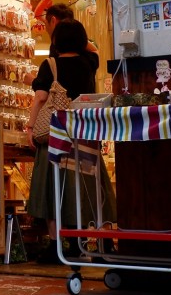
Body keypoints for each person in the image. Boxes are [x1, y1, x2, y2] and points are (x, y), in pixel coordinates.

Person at [26, 18, 116, 263]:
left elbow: (41, 98)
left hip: (55, 135)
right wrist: (79, 39)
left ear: (55, 40)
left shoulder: (49, 64)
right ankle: (92, 242)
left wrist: (32, 126)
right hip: (84, 133)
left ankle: (57, 246)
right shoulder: (89, 62)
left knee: (51, 190)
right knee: (87, 188)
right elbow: (93, 48)